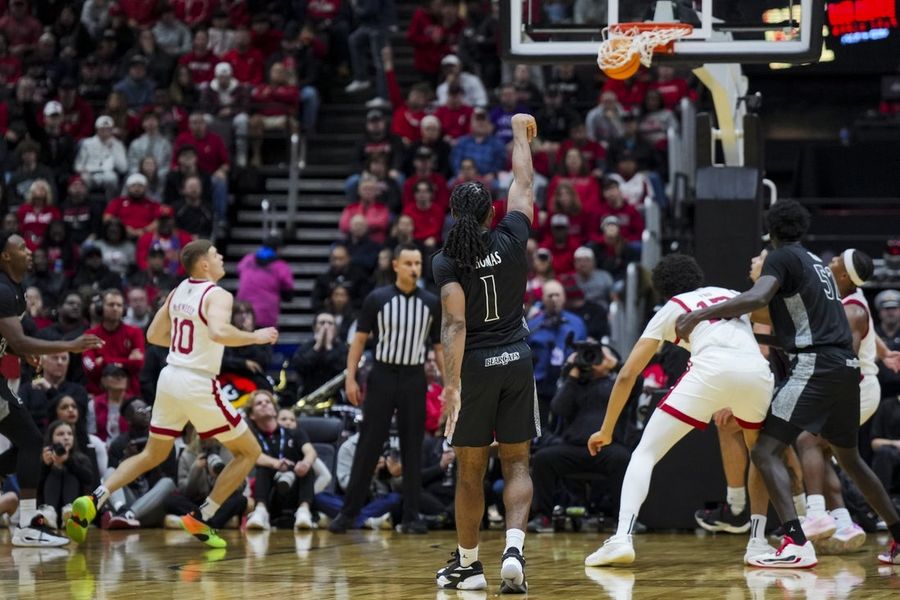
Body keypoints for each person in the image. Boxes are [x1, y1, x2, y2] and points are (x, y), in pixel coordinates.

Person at [675, 200, 900, 568]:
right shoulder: (817, 265)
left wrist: (701, 314)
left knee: (765, 451)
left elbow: (757, 297)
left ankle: (796, 542)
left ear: (772, 231)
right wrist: (756, 336)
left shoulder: (781, 257)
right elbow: (800, 332)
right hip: (845, 370)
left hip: (816, 366)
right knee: (851, 460)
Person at [66, 240, 278, 549]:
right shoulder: (218, 294)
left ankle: (95, 497)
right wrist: (255, 336)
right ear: (204, 264)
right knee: (249, 452)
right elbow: (219, 332)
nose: (221, 257)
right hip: (197, 381)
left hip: (170, 377)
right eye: (216, 254)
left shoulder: (178, 291)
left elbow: (153, 335)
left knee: (153, 454)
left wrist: (187, 345)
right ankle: (203, 516)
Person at [583, 254, 776, 567]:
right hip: (756, 371)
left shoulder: (672, 307)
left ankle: (621, 538)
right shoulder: (728, 294)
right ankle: (758, 541)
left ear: (662, 290)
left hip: (710, 371)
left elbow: (628, 374)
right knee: (761, 456)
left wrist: (606, 430)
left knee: (645, 453)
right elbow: (771, 317)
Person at [431, 113, 538, 592]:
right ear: (491, 213)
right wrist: (519, 134)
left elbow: (455, 322)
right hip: (516, 358)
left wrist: (451, 385)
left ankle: (470, 566)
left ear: (455, 215)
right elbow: (524, 182)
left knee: (471, 470)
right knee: (517, 463)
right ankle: (513, 549)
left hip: (475, 365)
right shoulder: (513, 235)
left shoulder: (447, 260)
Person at [328, 243, 442, 535]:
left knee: (413, 448)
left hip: (415, 378)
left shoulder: (431, 302)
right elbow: (358, 341)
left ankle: (411, 516)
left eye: (418, 264)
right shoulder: (377, 299)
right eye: (409, 263)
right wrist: (351, 379)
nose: (414, 269)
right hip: (381, 376)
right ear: (395, 266)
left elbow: (439, 347)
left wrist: (449, 384)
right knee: (369, 445)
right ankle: (348, 514)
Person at [0, 232, 102, 547]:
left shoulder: (16, 289)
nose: (29, 251)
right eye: (21, 247)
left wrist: (20, 353)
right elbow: (18, 339)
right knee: (32, 442)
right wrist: (68, 344)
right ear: (5, 256)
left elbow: (12, 341)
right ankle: (28, 524)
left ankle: (27, 523)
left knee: (29, 444)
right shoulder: (2, 290)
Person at [796, 249, 900, 553]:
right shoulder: (848, 300)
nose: (829, 263)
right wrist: (884, 352)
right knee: (843, 460)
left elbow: (845, 360)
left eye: (835, 261)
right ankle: (845, 522)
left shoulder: (851, 310)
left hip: (855, 388)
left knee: (808, 442)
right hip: (854, 387)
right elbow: (867, 333)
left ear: (843, 275)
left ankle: (818, 514)